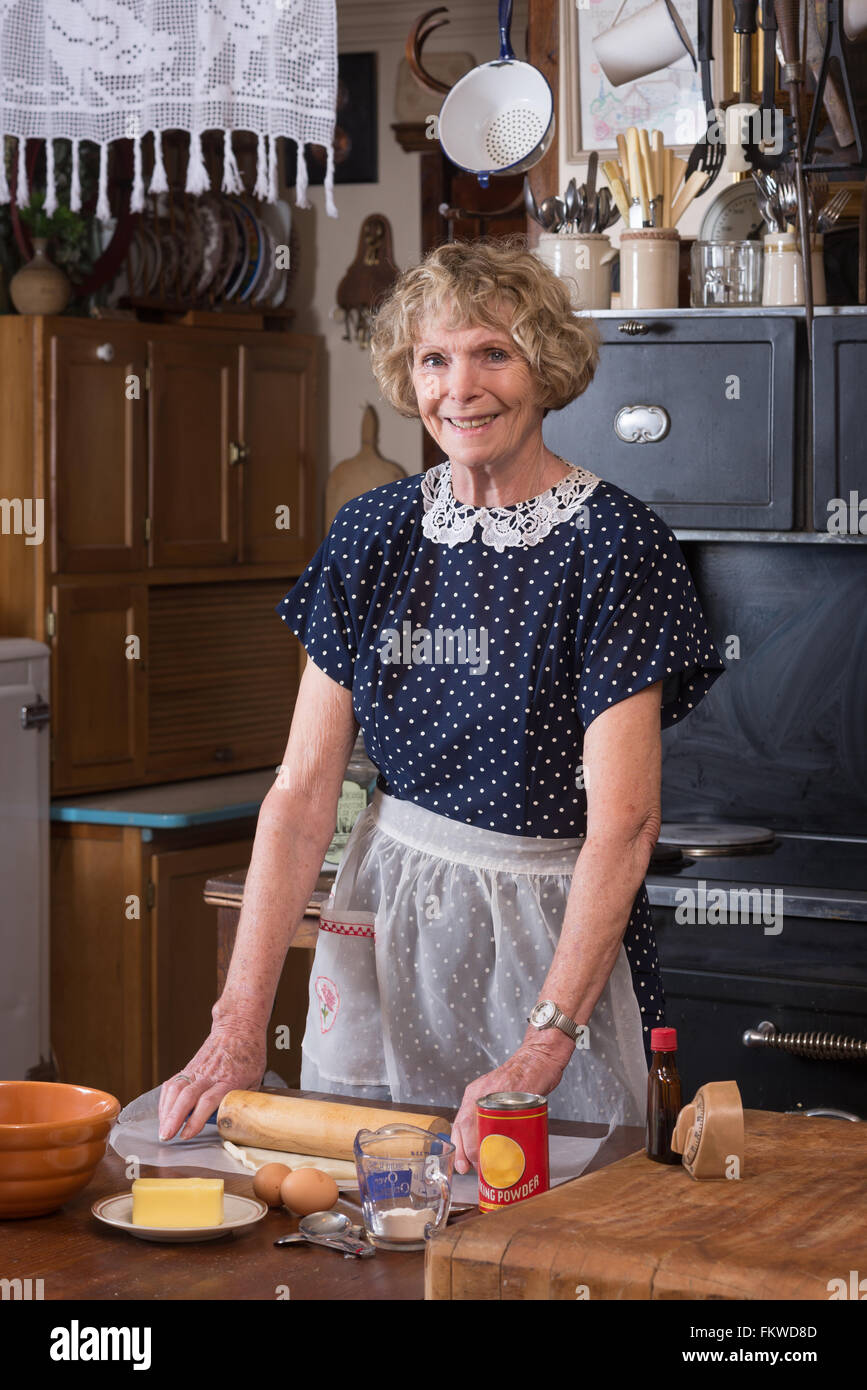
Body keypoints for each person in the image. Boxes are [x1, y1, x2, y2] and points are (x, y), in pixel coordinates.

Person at [158, 236, 725, 1174]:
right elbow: (302, 794)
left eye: (492, 354)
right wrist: (237, 1023)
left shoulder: (614, 548)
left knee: (545, 1216)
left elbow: (624, 825)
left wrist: (545, 1045)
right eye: (434, 359)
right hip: (384, 916)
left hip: (549, 941)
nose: (459, 388)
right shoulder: (372, 534)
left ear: (543, 368)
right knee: (369, 1210)